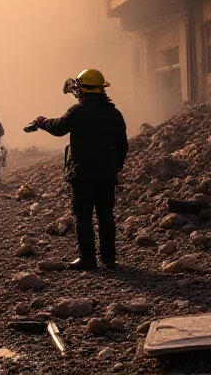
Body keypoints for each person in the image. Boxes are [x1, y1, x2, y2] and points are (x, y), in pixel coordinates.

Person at [24, 69, 128, 270]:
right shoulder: (114, 114)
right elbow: (122, 145)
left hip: (83, 174)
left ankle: (87, 259)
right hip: (107, 175)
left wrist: (41, 121)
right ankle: (109, 259)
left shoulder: (78, 111)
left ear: (83, 90)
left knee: (83, 216)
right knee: (106, 216)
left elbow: (59, 127)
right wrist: (115, 167)